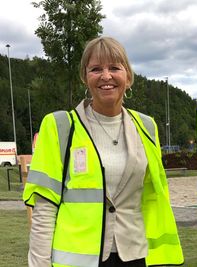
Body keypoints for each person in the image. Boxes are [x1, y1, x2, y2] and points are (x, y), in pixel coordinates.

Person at [23, 36, 184, 267]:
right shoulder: (59, 126)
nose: (106, 76)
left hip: (135, 256)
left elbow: (151, 198)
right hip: (78, 261)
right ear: (85, 77)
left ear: (128, 77)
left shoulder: (147, 127)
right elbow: (44, 208)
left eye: (114, 68)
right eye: (96, 69)